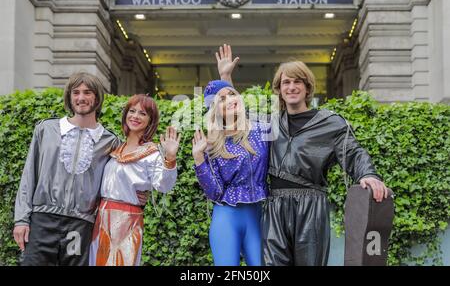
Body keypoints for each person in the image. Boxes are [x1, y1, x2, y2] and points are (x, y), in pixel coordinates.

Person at [217, 44, 389, 266]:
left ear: (308, 88)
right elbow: (238, 113)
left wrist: (369, 175)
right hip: (275, 206)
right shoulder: (269, 124)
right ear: (279, 89)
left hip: (311, 206)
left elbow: (354, 153)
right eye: (286, 82)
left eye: (297, 81)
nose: (291, 87)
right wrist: (225, 76)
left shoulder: (330, 123)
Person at [13, 72, 122, 265]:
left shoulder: (110, 141)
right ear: (69, 97)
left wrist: (140, 194)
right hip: (42, 220)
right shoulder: (46, 129)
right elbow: (28, 176)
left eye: (87, 92)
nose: (81, 98)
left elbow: (120, 179)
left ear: (97, 97)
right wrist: (21, 220)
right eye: (76, 92)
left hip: (81, 225)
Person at [89, 94, 179, 266]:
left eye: (143, 113)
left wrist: (170, 157)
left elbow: (163, 185)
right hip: (101, 218)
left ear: (150, 120)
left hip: (127, 221)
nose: (135, 116)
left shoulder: (150, 153)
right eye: (132, 111)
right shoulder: (115, 148)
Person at [191, 74, 270, 266]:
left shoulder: (262, 129)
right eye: (222, 99)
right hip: (226, 218)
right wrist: (199, 158)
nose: (230, 100)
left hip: (257, 217)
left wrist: (226, 76)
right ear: (214, 110)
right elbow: (215, 192)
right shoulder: (213, 144)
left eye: (232, 95)